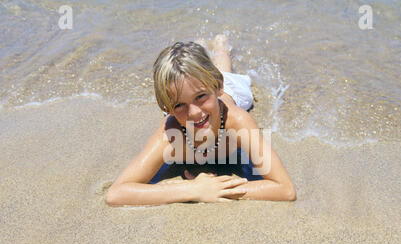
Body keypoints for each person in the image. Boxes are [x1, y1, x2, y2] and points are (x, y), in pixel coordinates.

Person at [105, 35, 296, 206]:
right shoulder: (171, 134)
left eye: (201, 97)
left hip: (231, 91)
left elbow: (285, 189)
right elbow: (116, 193)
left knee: (223, 67)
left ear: (216, 88)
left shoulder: (237, 121)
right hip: (202, 84)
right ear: (167, 109)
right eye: (179, 105)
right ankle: (199, 45)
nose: (195, 113)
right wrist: (193, 190)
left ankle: (221, 45)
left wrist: (221, 190)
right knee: (193, 67)